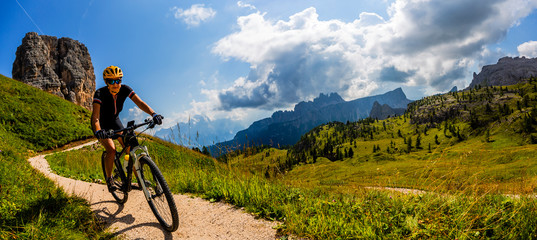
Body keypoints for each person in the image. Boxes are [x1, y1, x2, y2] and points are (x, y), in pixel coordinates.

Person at [91, 65, 163, 192]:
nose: (116, 84)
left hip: (115, 121)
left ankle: (139, 179)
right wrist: (98, 131)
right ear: (107, 82)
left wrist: (154, 114)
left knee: (130, 148)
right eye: (112, 81)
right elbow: (95, 117)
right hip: (102, 125)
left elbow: (140, 103)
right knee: (112, 150)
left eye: (118, 80)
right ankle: (109, 178)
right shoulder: (100, 93)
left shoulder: (125, 89)